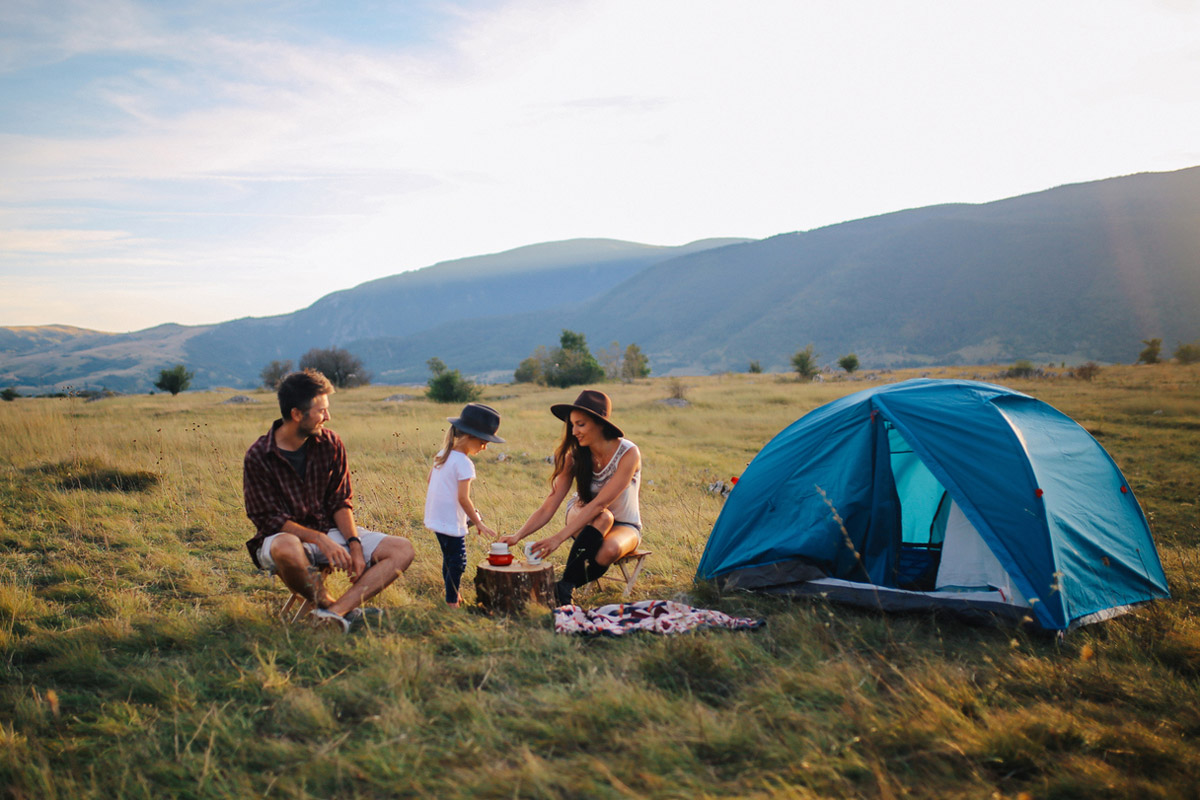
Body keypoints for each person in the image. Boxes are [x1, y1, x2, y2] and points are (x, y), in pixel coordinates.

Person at [243, 369, 415, 632]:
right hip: (280, 539)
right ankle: (335, 608)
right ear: (296, 414)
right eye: (321, 411)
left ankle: (335, 613)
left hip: (330, 531)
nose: (328, 417)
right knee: (288, 546)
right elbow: (269, 519)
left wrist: (355, 545)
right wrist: (318, 539)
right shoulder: (259, 456)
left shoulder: (330, 443)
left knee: (402, 549)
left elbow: (340, 500)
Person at [501, 389, 641, 606]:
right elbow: (550, 504)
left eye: (581, 424)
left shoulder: (628, 453)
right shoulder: (575, 455)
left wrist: (558, 538)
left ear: (600, 423)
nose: (574, 431)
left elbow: (602, 502)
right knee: (603, 518)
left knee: (609, 549)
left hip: (625, 525)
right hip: (586, 516)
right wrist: (517, 536)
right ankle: (564, 592)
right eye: (572, 425)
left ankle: (563, 586)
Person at [424, 403, 504, 607]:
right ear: (470, 437)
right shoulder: (464, 463)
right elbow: (463, 498)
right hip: (451, 522)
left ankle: (453, 594)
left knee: (449, 559)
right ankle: (452, 603)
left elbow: (430, 480)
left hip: (436, 517)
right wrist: (478, 522)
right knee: (459, 562)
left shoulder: (443, 453)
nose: (484, 448)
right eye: (484, 442)